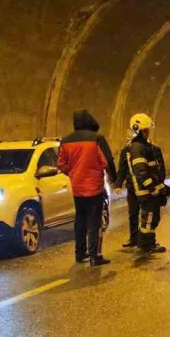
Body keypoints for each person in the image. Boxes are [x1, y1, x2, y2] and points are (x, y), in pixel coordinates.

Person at [58, 109, 116, 266]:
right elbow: (107, 161)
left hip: (77, 187)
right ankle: (95, 255)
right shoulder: (97, 139)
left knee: (80, 220)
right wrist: (114, 178)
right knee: (95, 222)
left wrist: (73, 173)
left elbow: (61, 164)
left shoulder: (65, 141)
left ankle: (80, 253)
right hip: (94, 187)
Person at [125, 113, 167, 253]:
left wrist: (162, 187)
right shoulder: (138, 147)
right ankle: (147, 244)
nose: (148, 132)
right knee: (149, 217)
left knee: (150, 217)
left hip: (148, 189)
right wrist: (151, 187)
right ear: (141, 130)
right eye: (147, 129)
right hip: (145, 190)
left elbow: (152, 170)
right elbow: (141, 171)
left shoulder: (142, 146)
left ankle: (146, 243)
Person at [114, 130, 140, 248]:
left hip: (144, 186)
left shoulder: (147, 148)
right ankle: (134, 238)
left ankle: (147, 240)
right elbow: (122, 169)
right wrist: (118, 184)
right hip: (132, 187)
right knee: (133, 213)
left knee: (146, 214)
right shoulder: (126, 151)